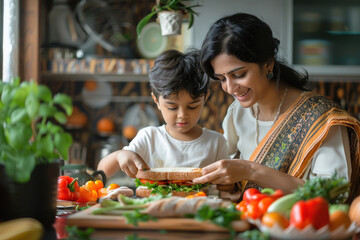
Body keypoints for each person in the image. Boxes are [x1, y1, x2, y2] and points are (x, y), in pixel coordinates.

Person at [192, 13, 360, 203]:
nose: (229, 88)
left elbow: (334, 195)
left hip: (301, 228)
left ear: (267, 64)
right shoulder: (237, 114)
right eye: (222, 79)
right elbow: (231, 181)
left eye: (239, 74)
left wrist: (252, 170)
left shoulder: (321, 119)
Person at [97, 49, 229, 179]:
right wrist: (119, 155)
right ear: (157, 101)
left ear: (205, 98)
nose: (182, 115)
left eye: (192, 106)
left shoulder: (216, 143)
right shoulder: (149, 138)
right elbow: (102, 171)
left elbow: (226, 188)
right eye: (172, 107)